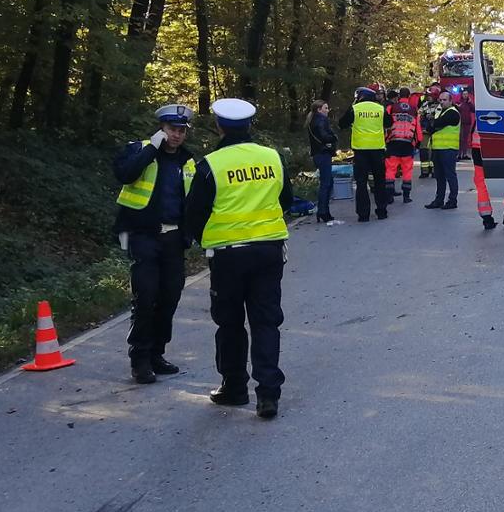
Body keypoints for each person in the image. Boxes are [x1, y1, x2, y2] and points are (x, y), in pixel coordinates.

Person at [181, 98, 291, 419]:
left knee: (230, 322)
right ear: (249, 125)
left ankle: (234, 387)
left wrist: (208, 240)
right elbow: (285, 198)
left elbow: (194, 214)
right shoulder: (272, 158)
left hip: (227, 256)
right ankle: (268, 394)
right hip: (269, 251)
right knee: (266, 320)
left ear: (218, 125)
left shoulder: (210, 165)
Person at [112, 104, 199, 384]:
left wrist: (190, 235)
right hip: (142, 235)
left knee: (170, 296)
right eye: (172, 129)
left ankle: (157, 354)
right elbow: (125, 174)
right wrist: (152, 149)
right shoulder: (138, 150)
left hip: (174, 238)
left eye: (181, 130)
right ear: (161, 129)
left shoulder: (187, 161)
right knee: (146, 296)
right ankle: (140, 359)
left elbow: (194, 200)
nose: (177, 135)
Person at [339, 86, 391, 222]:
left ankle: (363, 214)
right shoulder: (380, 109)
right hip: (377, 150)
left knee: (361, 183)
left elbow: (342, 124)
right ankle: (382, 211)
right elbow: (389, 123)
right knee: (380, 181)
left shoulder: (355, 109)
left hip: (361, 151)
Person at [470, 129, 504, 230]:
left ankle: (487, 220)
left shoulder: (479, 113)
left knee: (481, 182)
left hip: (478, 147)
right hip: (500, 143)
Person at [422, 89, 461, 209]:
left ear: (451, 101)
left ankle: (452, 200)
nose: (442, 102)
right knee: (439, 177)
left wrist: (432, 122)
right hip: (438, 149)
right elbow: (432, 126)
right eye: (440, 100)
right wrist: (432, 123)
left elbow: (437, 124)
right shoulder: (441, 112)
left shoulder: (453, 112)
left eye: (445, 100)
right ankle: (439, 200)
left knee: (450, 175)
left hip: (448, 149)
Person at [305, 100, 337, 223]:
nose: (328, 110)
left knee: (328, 182)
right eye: (326, 108)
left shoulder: (311, 120)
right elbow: (324, 136)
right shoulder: (321, 120)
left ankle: (324, 211)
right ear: (319, 109)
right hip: (323, 153)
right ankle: (323, 211)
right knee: (326, 183)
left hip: (317, 154)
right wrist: (333, 138)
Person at [384, 100, 421, 203]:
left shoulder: (391, 108)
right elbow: (417, 127)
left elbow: (386, 124)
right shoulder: (413, 110)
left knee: (390, 170)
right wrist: (418, 141)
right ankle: (406, 196)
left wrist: (385, 140)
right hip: (408, 144)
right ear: (409, 96)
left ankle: (389, 196)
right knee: (407, 170)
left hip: (393, 143)